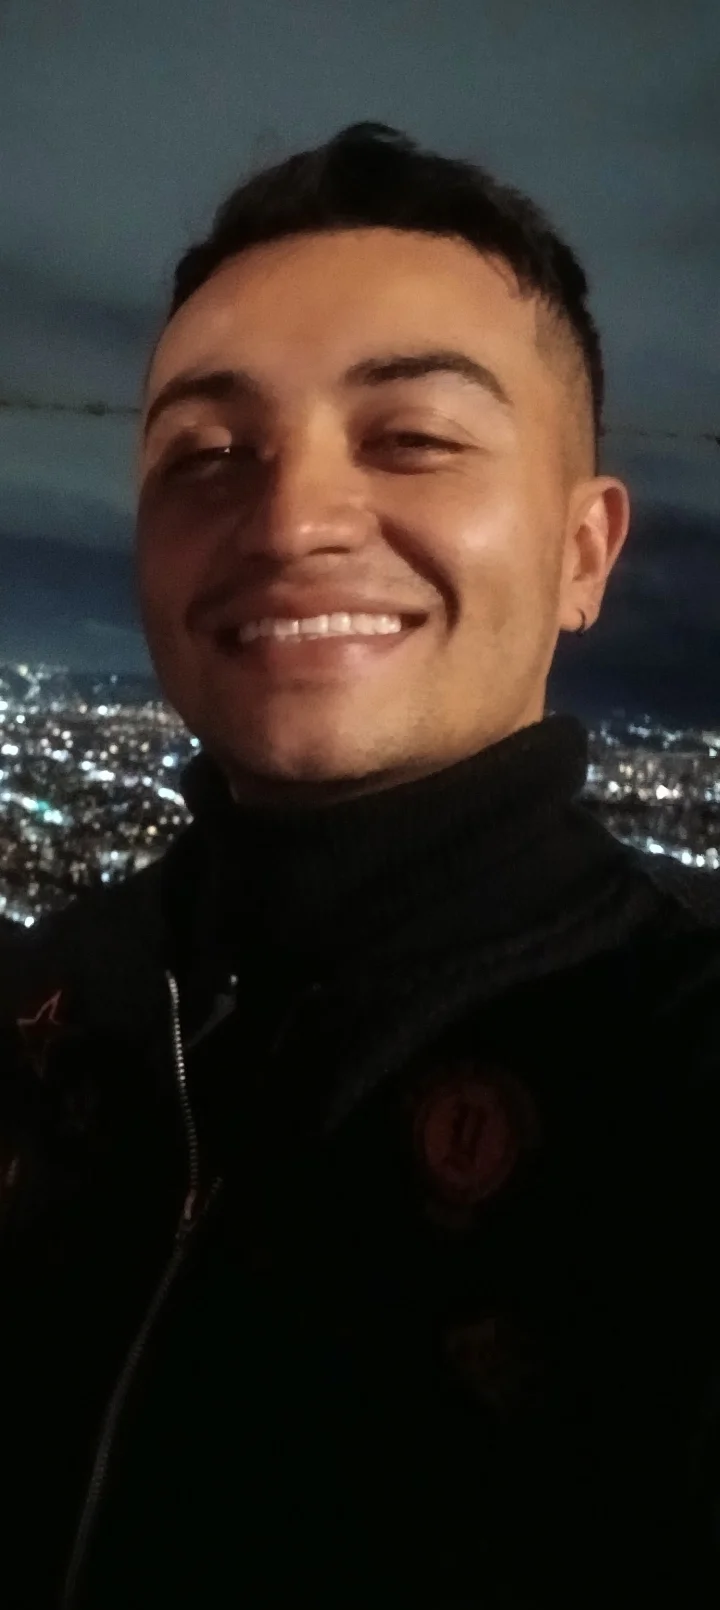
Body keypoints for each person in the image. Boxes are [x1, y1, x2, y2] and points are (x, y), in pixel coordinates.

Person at [1, 121, 719, 1609]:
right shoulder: (48, 1000)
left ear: (585, 554)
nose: (290, 521)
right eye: (206, 454)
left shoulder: (674, 1068)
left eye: (413, 438)